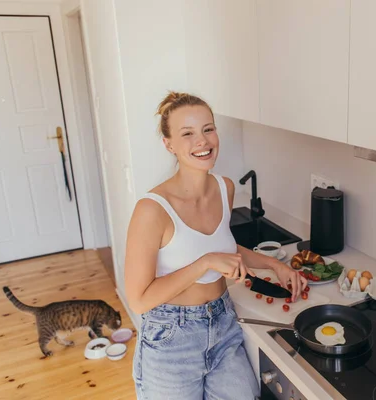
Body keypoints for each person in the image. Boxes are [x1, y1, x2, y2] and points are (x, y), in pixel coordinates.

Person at [124, 92, 307, 400]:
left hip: (223, 325)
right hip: (171, 339)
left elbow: (226, 248)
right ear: (169, 144)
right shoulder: (152, 209)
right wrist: (204, 263)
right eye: (188, 133)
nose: (203, 141)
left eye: (208, 129)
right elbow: (140, 300)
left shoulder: (225, 188)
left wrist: (275, 265)